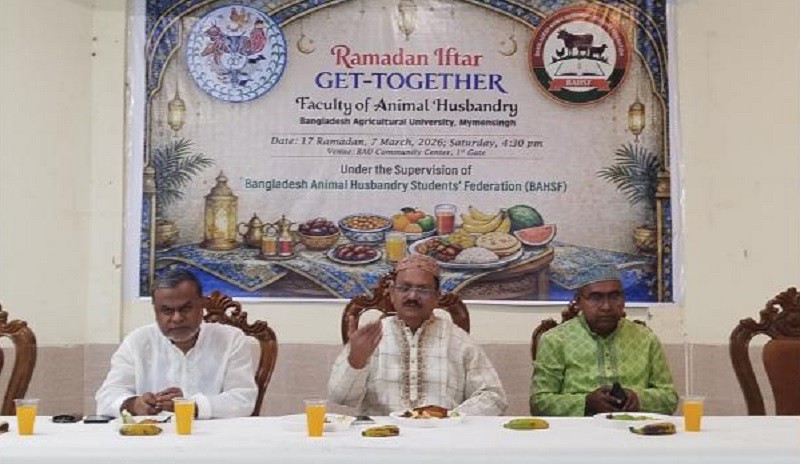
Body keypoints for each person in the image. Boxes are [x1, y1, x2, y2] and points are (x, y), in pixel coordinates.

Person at [328, 254, 507, 416]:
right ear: (392, 293)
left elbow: (494, 397)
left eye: (423, 289)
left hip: (442, 435)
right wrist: (356, 360)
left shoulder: (459, 340)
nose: (412, 296)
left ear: (437, 296)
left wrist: (451, 418)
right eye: (404, 288)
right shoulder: (371, 337)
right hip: (382, 436)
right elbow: (341, 398)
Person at [95, 269, 257, 419]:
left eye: (185, 309)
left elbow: (243, 399)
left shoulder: (231, 339)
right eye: (167, 310)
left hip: (214, 435)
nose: (177, 318)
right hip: (153, 436)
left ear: (202, 305)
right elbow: (107, 396)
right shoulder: (137, 341)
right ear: (155, 310)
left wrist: (190, 406)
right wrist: (134, 404)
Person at [530, 264, 677, 416]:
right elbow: (539, 403)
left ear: (623, 300)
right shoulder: (555, 340)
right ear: (578, 302)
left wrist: (639, 399)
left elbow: (669, 398)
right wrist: (585, 404)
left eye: (614, 296)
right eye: (596, 297)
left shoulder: (646, 338)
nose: (606, 307)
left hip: (634, 428)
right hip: (578, 429)